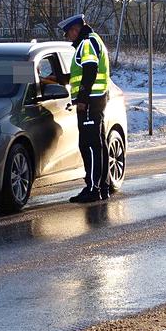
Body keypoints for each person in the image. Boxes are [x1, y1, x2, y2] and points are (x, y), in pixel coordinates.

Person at [58, 14, 111, 203]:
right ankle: (102, 186)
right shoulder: (93, 40)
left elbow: (89, 71)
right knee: (98, 144)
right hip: (96, 99)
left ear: (76, 29)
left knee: (89, 145)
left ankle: (93, 188)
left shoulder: (87, 43)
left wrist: (82, 99)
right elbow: (78, 74)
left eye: (68, 33)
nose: (68, 37)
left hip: (90, 101)